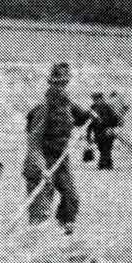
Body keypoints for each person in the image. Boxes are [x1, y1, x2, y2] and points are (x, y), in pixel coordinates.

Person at [24, 62, 95, 235]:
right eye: (58, 84)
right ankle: (32, 241)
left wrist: (90, 115)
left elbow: (80, 118)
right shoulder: (43, 108)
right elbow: (33, 143)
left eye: (64, 83)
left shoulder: (67, 104)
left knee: (71, 198)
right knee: (41, 208)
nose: (61, 88)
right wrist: (42, 168)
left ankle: (65, 236)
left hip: (61, 158)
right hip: (41, 159)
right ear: (51, 84)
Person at [86, 92, 122, 170]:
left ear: (101, 99)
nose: (95, 101)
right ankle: (106, 164)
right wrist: (88, 135)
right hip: (98, 131)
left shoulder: (107, 107)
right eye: (94, 99)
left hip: (107, 130)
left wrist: (110, 127)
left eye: (97, 99)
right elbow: (89, 123)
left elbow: (114, 119)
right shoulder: (93, 108)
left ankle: (104, 164)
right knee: (101, 147)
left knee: (106, 148)